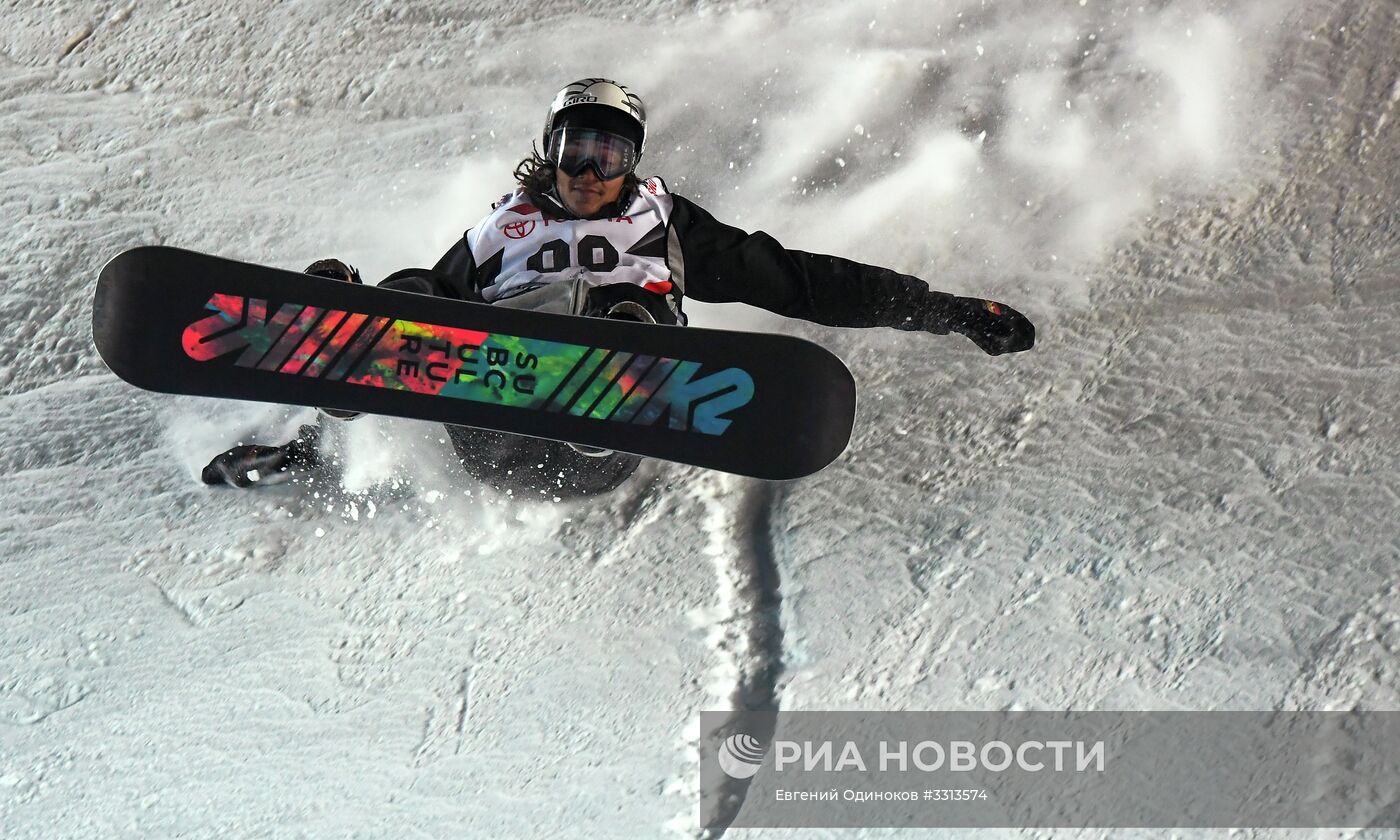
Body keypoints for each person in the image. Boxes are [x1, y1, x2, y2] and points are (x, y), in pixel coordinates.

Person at [202, 77, 1035, 497]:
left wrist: (947, 311)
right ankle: (343, 358)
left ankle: (616, 375)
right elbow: (430, 312)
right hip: (493, 427)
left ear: (633, 162)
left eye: (613, 155)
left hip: (599, 454)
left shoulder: (665, 222)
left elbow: (802, 281)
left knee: (627, 308)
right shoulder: (504, 229)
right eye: (578, 150)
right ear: (551, 148)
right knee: (424, 287)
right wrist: (302, 448)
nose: (593, 172)